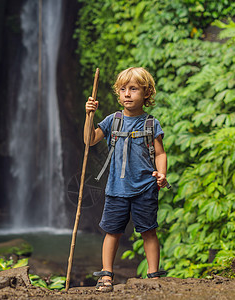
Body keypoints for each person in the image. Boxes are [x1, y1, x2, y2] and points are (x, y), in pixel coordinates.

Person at [84, 67, 168, 292]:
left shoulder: (151, 124)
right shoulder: (113, 121)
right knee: (112, 231)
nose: (127, 94)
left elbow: (160, 153)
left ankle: (153, 276)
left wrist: (161, 173)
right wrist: (89, 115)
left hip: (145, 187)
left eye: (133, 89)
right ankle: (106, 275)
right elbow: (89, 140)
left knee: (148, 231)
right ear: (118, 93)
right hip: (116, 188)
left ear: (146, 93)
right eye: (123, 89)